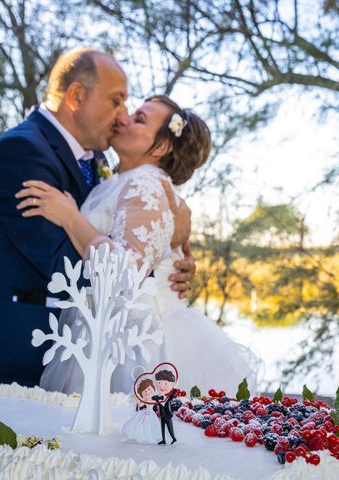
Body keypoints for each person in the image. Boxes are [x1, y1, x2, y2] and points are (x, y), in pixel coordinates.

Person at [0, 48, 195, 387]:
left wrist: (166, 258)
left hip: (68, 351)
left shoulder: (97, 162)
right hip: (8, 352)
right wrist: (150, 279)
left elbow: (134, 225)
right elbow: (64, 265)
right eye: (116, 101)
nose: (122, 116)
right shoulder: (22, 153)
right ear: (76, 96)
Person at [17, 95, 259, 396]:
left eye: (140, 119)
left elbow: (125, 274)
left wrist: (69, 218)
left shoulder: (145, 182)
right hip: (105, 326)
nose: (124, 118)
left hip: (134, 341)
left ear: (161, 147)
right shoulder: (122, 179)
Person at [122, 378, 161, 444]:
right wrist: (136, 398)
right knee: (142, 425)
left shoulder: (154, 400)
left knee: (152, 426)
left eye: (149, 389)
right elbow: (140, 405)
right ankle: (143, 437)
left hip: (152, 414)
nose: (148, 392)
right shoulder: (145, 400)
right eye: (145, 391)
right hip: (145, 414)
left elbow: (158, 406)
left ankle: (152, 437)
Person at [151, 369, 179, 445]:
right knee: (162, 428)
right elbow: (152, 399)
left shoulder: (168, 397)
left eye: (165, 384)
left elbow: (174, 393)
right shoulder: (159, 397)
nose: (162, 386)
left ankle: (174, 438)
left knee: (170, 429)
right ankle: (163, 440)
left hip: (168, 416)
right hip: (162, 415)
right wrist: (157, 399)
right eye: (159, 383)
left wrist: (176, 387)